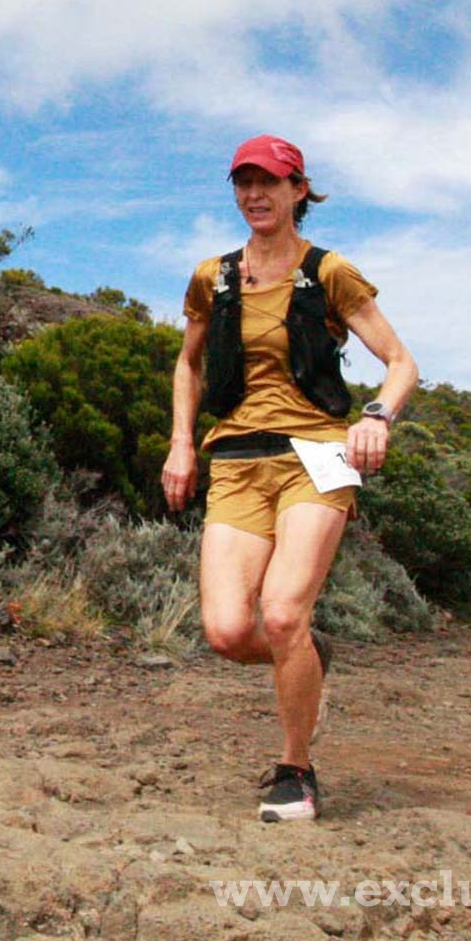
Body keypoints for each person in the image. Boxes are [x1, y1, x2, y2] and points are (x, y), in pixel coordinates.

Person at [161, 134, 418, 822]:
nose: (255, 196)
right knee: (225, 630)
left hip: (319, 454)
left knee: (281, 612)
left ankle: (296, 770)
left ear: (299, 189)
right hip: (238, 459)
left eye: (269, 182)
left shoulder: (328, 272)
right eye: (243, 183)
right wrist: (180, 445)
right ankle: (307, 654)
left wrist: (377, 416)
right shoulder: (210, 276)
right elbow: (187, 364)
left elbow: (401, 363)